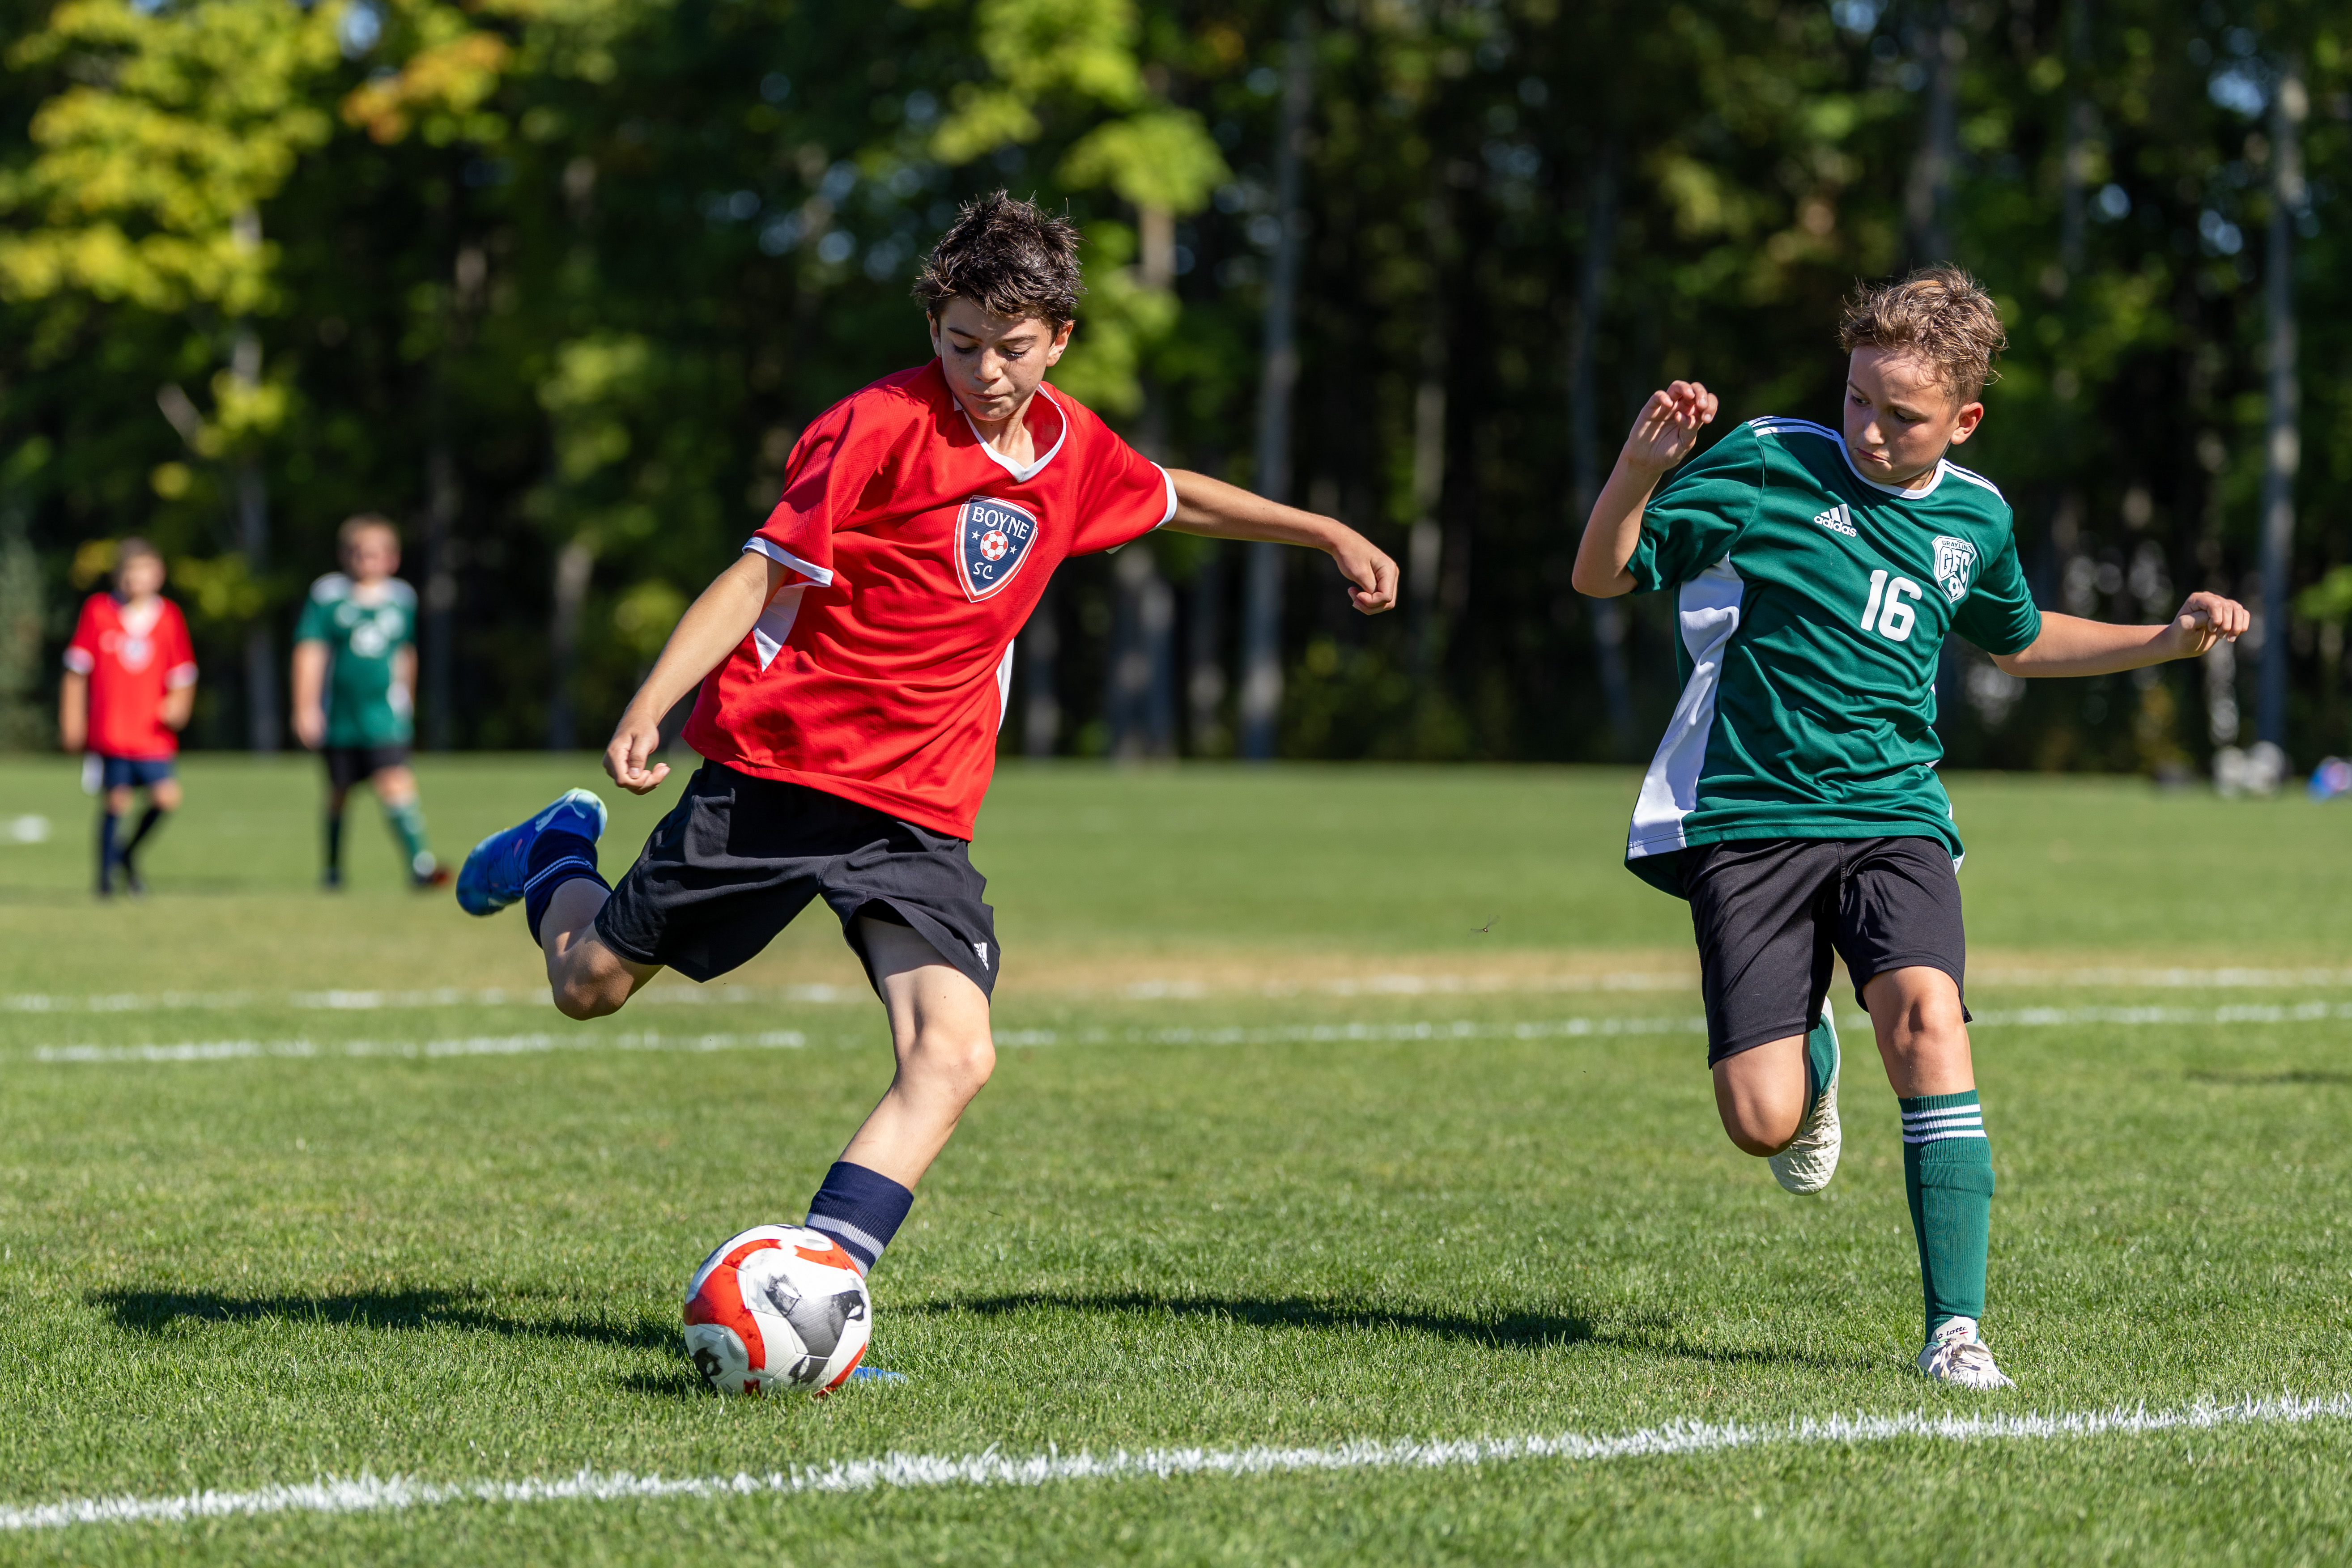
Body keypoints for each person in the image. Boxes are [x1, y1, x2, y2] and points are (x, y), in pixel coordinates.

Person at [455, 192, 1397, 1310]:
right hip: (779, 774)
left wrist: (1324, 531)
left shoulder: (1075, 450)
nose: (984, 371)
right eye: (960, 343)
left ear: (1059, 339)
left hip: (917, 810)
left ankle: (817, 1299)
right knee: (588, 987)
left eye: (1012, 348)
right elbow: (758, 573)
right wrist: (652, 702)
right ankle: (559, 850)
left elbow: (1172, 495)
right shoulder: (874, 426)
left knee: (955, 1052)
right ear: (932, 330)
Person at [1571, 266, 2248, 1390]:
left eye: (1903, 414)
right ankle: (1808, 1045)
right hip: (1751, 815)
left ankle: (1956, 1330)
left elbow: (2017, 641)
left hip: (1896, 812)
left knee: (1930, 1021)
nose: (1871, 430)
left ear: (1964, 420)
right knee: (1761, 1119)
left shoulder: (1976, 517)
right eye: (1857, 399)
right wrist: (1639, 472)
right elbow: (1605, 575)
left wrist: (2165, 640)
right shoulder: (1768, 461)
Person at [292, 515, 448, 889]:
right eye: (358, 553)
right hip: (339, 715)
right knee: (339, 792)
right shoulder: (328, 596)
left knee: (396, 781)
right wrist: (305, 707)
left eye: (376, 554)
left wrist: (407, 702)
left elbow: (405, 653)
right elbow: (310, 652)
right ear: (345, 555)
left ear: (392, 558)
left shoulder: (401, 598)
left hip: (383, 714)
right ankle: (333, 870)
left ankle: (420, 866)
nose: (367, 561)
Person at [60, 538, 197, 897]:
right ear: (117, 575)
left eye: (145, 571)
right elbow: (76, 670)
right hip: (112, 729)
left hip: (153, 732)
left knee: (166, 798)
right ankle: (104, 883)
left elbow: (183, 673)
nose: (137, 579)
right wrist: (72, 719)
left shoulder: (168, 616)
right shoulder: (98, 611)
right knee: (116, 800)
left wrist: (179, 705)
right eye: (130, 572)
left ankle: (126, 855)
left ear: (159, 575)